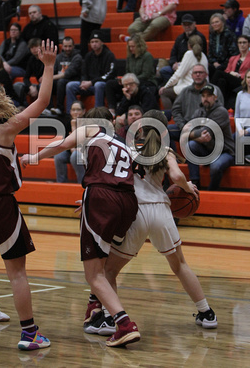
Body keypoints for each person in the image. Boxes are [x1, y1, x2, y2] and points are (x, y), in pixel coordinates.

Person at [86, 109, 218, 336]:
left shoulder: (127, 149)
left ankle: (108, 320)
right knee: (180, 265)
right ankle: (206, 313)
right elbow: (177, 177)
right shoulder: (166, 150)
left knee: (109, 271)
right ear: (165, 129)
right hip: (161, 211)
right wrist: (190, 189)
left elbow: (111, 179)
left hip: (135, 212)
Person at [21, 106, 140, 348]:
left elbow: (62, 145)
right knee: (103, 267)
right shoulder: (124, 144)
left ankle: (125, 324)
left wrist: (34, 157)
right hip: (128, 202)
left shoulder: (91, 128)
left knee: (93, 273)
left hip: (103, 199)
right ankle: (100, 314)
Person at [0, 39, 57, 350]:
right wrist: (47, 66)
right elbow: (42, 101)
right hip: (1, 205)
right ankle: (30, 334)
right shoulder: (3, 131)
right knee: (17, 273)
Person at [185, 84, 235, 190]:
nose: (205, 98)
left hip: (224, 151)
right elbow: (187, 131)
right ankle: (195, 183)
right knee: (190, 145)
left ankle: (212, 191)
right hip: (208, 149)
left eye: (208, 95)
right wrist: (196, 137)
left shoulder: (221, 111)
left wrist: (192, 135)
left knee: (215, 166)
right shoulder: (199, 111)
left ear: (215, 97)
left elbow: (206, 131)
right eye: (203, 96)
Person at [169, 64, 224, 150]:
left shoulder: (215, 90)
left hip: (207, 130)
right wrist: (182, 126)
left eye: (200, 72)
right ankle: (173, 157)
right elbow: (176, 110)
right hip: (186, 126)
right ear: (192, 75)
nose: (198, 75)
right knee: (165, 131)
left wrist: (199, 131)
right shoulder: (185, 91)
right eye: (195, 73)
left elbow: (219, 112)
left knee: (192, 145)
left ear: (206, 75)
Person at [106, 33, 157, 115]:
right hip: (131, 81)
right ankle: (112, 109)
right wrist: (123, 80)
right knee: (110, 84)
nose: (131, 48)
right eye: (129, 46)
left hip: (145, 81)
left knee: (134, 85)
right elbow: (127, 71)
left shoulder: (147, 56)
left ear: (139, 46)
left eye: (133, 46)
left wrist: (131, 80)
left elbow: (146, 74)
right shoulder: (130, 57)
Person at [66, 30, 116, 113]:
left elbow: (109, 74)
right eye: (92, 42)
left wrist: (91, 82)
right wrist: (83, 82)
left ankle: (98, 113)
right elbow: (83, 72)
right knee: (70, 85)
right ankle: (70, 113)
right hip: (89, 84)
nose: (94, 44)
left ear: (102, 42)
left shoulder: (109, 55)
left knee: (98, 85)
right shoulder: (88, 55)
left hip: (102, 84)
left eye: (96, 41)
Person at [159, 35, 208, 110]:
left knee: (164, 93)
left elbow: (178, 74)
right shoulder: (204, 56)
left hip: (188, 87)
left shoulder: (189, 54)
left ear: (188, 45)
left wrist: (165, 86)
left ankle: (171, 115)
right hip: (202, 86)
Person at [212, 35, 250, 109]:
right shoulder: (233, 58)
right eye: (240, 43)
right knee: (221, 81)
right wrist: (231, 73)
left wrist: (239, 75)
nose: (242, 45)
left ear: (249, 44)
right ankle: (221, 106)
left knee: (218, 72)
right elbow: (227, 70)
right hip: (232, 80)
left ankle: (210, 92)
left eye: (244, 42)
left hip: (243, 80)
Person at [158, 13, 207, 84]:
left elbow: (202, 55)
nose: (187, 27)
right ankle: (173, 86)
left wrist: (184, 65)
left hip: (193, 66)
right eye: (185, 25)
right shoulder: (179, 38)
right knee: (164, 71)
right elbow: (173, 54)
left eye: (189, 24)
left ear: (194, 24)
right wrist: (174, 64)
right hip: (179, 66)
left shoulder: (200, 37)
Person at [13, 38, 52, 115]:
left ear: (41, 47)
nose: (34, 49)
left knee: (42, 86)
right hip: (37, 84)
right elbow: (26, 77)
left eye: (36, 46)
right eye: (31, 47)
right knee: (18, 85)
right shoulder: (31, 59)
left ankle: (48, 108)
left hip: (49, 82)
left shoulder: (47, 57)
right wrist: (31, 86)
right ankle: (23, 106)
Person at [54, 101, 86, 183]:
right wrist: (71, 148)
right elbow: (66, 140)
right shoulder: (68, 123)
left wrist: (74, 126)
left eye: (78, 110)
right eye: (73, 110)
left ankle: (82, 183)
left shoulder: (87, 124)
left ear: (83, 111)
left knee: (75, 156)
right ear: (70, 111)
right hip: (72, 150)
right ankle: (61, 183)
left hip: (84, 151)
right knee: (58, 156)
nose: (76, 112)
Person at [50, 37, 83, 116]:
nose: (67, 48)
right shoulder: (58, 57)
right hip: (59, 81)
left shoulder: (77, 57)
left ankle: (60, 108)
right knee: (46, 84)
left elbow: (68, 73)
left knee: (61, 82)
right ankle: (48, 108)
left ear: (73, 46)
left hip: (73, 79)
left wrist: (50, 78)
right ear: (62, 46)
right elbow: (52, 71)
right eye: (65, 46)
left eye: (70, 46)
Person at [207, 13, 239, 80]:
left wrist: (222, 64)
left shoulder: (229, 34)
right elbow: (210, 52)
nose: (214, 24)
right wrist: (214, 62)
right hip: (215, 63)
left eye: (217, 22)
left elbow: (233, 53)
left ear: (222, 22)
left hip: (226, 64)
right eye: (212, 23)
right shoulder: (212, 35)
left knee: (219, 71)